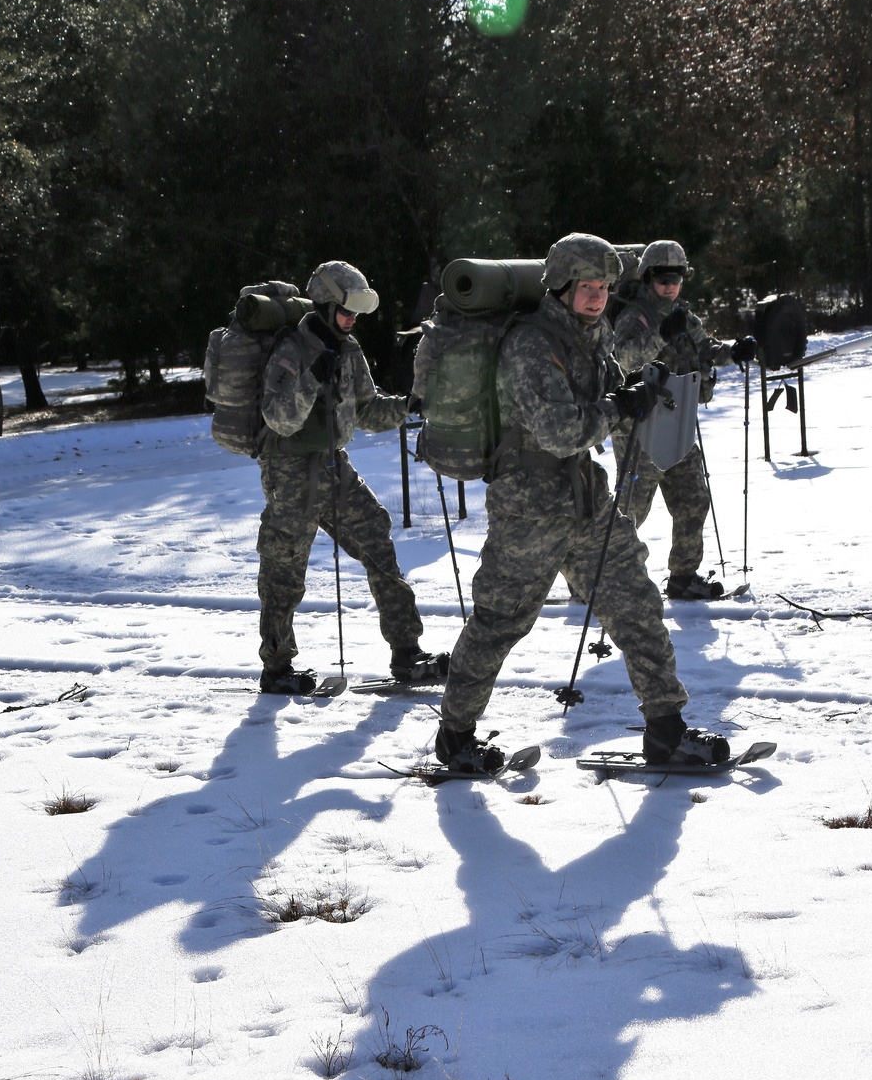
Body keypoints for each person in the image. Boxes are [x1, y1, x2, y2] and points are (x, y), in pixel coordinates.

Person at [433, 232, 729, 774]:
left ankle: (666, 728)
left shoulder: (592, 335)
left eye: (604, 287)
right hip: (530, 507)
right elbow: (560, 431)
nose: (597, 296)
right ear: (562, 286)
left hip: (586, 497)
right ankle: (455, 735)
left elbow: (606, 397)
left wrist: (640, 396)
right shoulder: (530, 345)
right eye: (587, 286)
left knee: (637, 604)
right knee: (501, 622)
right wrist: (619, 406)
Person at [256, 260, 446, 694]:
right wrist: (310, 379)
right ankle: (278, 667)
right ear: (324, 306)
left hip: (332, 464)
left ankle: (407, 652)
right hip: (290, 472)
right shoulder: (291, 348)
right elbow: (279, 418)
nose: (352, 319)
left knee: (377, 538)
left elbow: (367, 409)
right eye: (346, 311)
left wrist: (410, 406)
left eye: (356, 312)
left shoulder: (348, 348)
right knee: (285, 567)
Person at [612, 239, 758, 600]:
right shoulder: (636, 315)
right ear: (648, 278)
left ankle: (683, 576)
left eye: (676, 278)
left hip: (677, 422)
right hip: (640, 428)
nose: (670, 286)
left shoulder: (684, 315)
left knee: (694, 499)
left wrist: (733, 351)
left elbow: (704, 346)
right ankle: (603, 576)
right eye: (662, 278)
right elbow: (625, 359)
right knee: (630, 511)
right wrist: (661, 335)